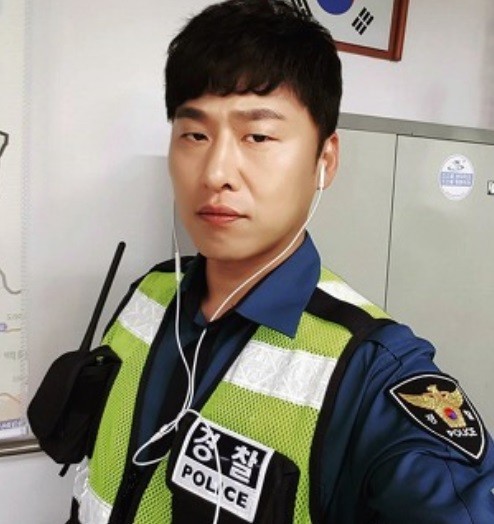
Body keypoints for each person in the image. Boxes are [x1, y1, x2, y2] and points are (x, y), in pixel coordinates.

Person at [67, 1, 494, 522]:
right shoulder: (150, 294)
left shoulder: (372, 372)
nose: (216, 172)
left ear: (325, 161)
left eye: (258, 137)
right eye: (195, 134)